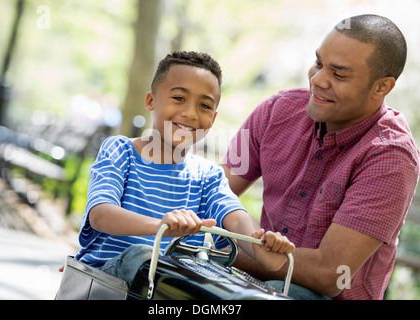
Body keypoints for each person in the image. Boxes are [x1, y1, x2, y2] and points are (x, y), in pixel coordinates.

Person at [222, 14, 420, 300]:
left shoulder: (391, 156)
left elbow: (331, 274)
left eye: (338, 75)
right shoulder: (276, 111)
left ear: (382, 87)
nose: (318, 80)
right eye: (318, 63)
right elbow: (212, 189)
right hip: (254, 282)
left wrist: (222, 250)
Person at [74, 51, 295, 284]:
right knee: (145, 257)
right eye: (179, 98)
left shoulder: (208, 176)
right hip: (108, 279)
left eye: (204, 105)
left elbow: (236, 218)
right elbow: (100, 214)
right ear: (151, 101)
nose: (190, 113)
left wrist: (262, 245)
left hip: (167, 286)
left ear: (214, 117)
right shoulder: (120, 150)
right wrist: (161, 227)